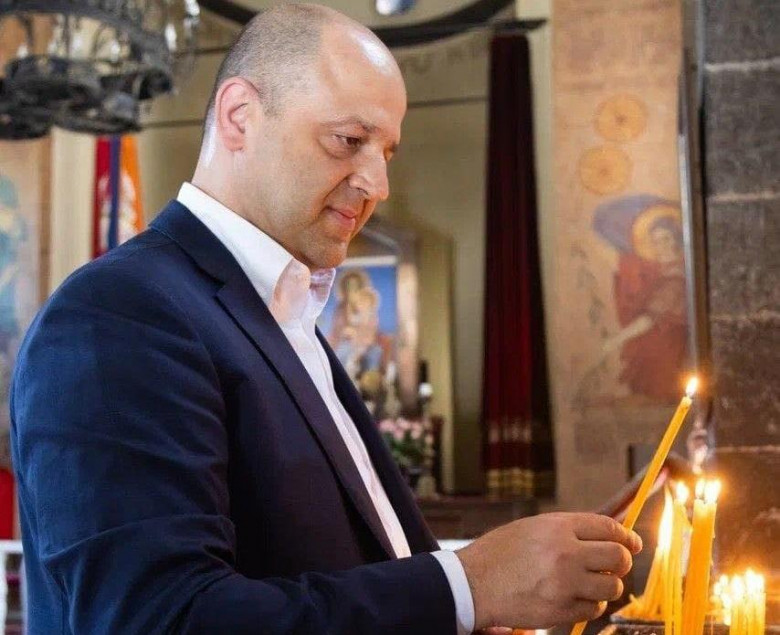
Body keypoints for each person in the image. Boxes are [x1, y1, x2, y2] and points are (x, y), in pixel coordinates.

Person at [11, 4, 641, 634]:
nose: (377, 183)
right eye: (349, 141)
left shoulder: (284, 313)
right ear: (239, 117)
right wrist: (466, 587)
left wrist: (470, 616)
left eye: (386, 151)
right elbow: (158, 619)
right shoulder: (119, 315)